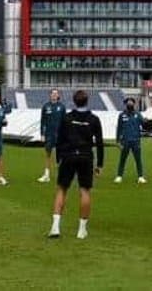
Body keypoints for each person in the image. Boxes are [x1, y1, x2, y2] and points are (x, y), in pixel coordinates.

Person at [48, 90, 104, 239]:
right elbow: (99, 143)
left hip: (68, 156)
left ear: (74, 101)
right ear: (87, 101)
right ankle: (81, 229)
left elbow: (59, 139)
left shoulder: (67, 118)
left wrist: (58, 158)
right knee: (84, 191)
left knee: (61, 189)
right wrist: (100, 164)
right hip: (85, 157)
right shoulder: (94, 119)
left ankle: (55, 227)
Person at [114, 97, 146, 184]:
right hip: (125, 141)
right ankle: (119, 176)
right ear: (126, 104)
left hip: (136, 141)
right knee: (122, 159)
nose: (130, 104)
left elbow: (144, 124)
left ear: (134, 104)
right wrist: (117, 141)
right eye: (128, 103)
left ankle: (140, 177)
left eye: (131, 102)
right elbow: (119, 128)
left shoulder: (138, 114)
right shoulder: (122, 115)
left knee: (138, 160)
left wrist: (147, 122)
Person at [37, 89, 66, 183]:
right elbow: (43, 121)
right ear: (50, 95)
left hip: (60, 135)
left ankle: (61, 175)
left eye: (56, 94)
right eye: (52, 93)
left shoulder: (61, 107)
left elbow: (65, 122)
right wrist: (42, 134)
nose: (54, 95)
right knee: (48, 154)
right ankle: (46, 175)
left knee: (60, 155)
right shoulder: (46, 106)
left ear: (58, 95)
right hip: (49, 134)